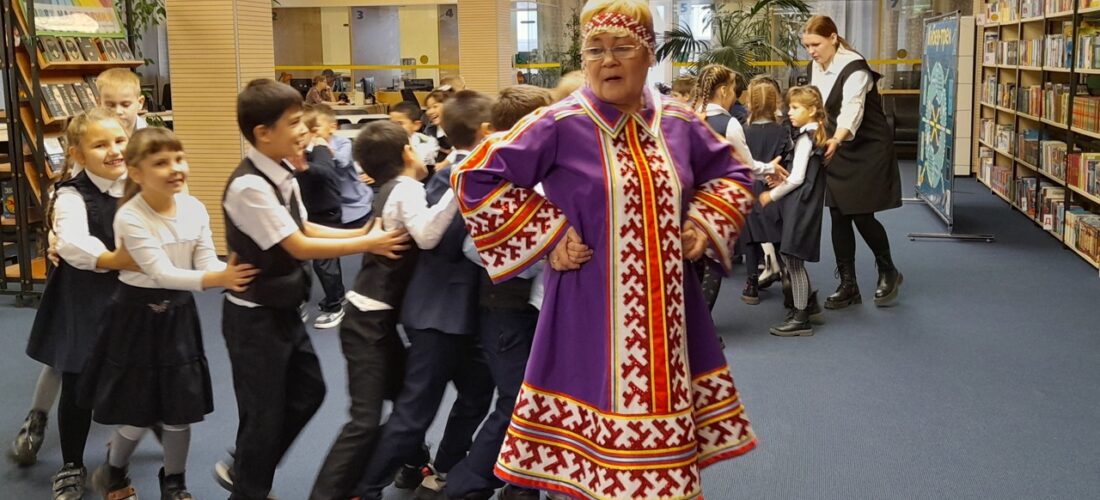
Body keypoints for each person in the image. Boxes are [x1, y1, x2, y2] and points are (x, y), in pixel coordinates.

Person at [451, 1, 757, 498]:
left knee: (668, 471)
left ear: (650, 53)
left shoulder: (679, 122)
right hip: (588, 315)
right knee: (591, 469)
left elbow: (734, 174)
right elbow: (474, 176)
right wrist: (548, 234)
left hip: (668, 320)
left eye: (622, 47)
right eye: (595, 49)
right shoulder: (559, 122)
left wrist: (703, 224)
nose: (607, 60)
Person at [214, 79, 410, 500]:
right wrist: (368, 242)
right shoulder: (249, 186)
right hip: (253, 318)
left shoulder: (282, 172)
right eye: (293, 122)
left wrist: (360, 233)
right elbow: (298, 245)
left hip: (284, 308)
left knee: (309, 392)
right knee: (264, 413)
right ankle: (248, 483)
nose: (303, 130)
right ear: (263, 133)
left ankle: (247, 468)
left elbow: (304, 226)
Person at [80, 127, 257, 500]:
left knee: (180, 410)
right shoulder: (130, 216)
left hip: (177, 315)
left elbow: (206, 261)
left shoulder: (193, 208)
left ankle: (174, 483)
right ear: (136, 172)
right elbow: (161, 272)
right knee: (137, 412)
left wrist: (231, 273)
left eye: (179, 159)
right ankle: (113, 472)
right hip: (134, 319)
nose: (176, 168)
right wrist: (219, 278)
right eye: (161, 163)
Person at [351, 90, 496, 500]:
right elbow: (439, 241)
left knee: (477, 392)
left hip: (459, 312)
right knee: (415, 413)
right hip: (439, 314)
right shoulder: (457, 177)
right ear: (487, 132)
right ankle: (361, 488)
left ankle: (442, 466)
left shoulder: (445, 174)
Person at [308, 120, 457, 500]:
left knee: (408, 401)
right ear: (407, 152)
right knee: (365, 420)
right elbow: (427, 235)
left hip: (376, 319)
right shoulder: (406, 188)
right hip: (368, 324)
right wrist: (460, 187)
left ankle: (413, 462)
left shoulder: (391, 188)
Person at [443, 84, 553, 500]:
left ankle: (521, 485)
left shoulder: (528, 173)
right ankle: (466, 485)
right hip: (504, 308)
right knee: (515, 402)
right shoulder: (494, 178)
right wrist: (542, 247)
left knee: (531, 400)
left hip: (521, 307)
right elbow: (475, 248)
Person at [22, 109, 138, 500]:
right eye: (100, 145)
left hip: (132, 295)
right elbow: (72, 241)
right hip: (85, 297)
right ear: (78, 154)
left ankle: (122, 460)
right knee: (77, 378)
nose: (114, 150)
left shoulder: (140, 182)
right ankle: (72, 463)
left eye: (119, 141)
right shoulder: (72, 194)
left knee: (136, 372)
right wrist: (115, 259)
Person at [803, 15, 903, 308]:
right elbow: (817, 107)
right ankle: (848, 285)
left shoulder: (855, 68)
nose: (811, 51)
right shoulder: (814, 67)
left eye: (816, 44)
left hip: (867, 146)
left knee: (861, 214)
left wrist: (836, 138)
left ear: (833, 38)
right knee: (838, 214)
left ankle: (888, 270)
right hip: (836, 146)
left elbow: (852, 110)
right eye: (807, 46)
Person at [691, 63, 785, 311]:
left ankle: (690, 319)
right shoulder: (729, 123)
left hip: (687, 200)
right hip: (715, 201)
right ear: (723, 90)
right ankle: (702, 321)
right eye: (733, 89)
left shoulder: (688, 116)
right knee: (712, 264)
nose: (735, 96)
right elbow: (747, 165)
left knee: (691, 265)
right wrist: (770, 167)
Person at [758, 86, 829, 336]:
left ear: (812, 110)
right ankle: (807, 306)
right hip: (803, 204)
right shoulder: (812, 134)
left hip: (800, 205)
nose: (789, 112)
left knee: (793, 261)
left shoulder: (806, 138)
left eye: (796, 108)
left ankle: (801, 317)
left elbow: (798, 178)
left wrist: (772, 194)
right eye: (790, 107)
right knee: (792, 258)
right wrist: (781, 180)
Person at [294, 106, 351, 328]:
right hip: (308, 212)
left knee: (325, 263)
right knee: (304, 260)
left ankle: (336, 306)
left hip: (326, 212)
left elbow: (327, 172)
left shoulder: (319, 148)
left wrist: (304, 167)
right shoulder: (302, 149)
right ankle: (330, 298)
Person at [740, 76, 792, 305]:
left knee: (751, 239)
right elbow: (787, 158)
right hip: (775, 189)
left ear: (749, 103)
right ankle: (788, 280)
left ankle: (751, 283)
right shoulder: (783, 131)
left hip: (749, 189)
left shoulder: (743, 130)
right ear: (775, 103)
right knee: (779, 235)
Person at [389, 101, 439, 167]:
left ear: (416, 125)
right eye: (392, 124)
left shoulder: (426, 141)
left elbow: (419, 164)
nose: (394, 127)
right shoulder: (388, 141)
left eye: (400, 123)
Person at [422, 88, 455, 164]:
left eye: (435, 106)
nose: (429, 112)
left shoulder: (462, 126)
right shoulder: (430, 132)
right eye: (428, 108)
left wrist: (445, 163)